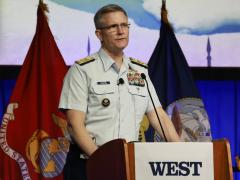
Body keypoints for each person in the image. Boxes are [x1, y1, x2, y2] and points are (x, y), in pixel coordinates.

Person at [59, 4, 180, 180]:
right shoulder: (82, 70)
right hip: (89, 164)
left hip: (128, 165)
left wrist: (182, 151)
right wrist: (103, 161)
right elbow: (74, 125)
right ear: (99, 34)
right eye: (113, 26)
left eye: (124, 25)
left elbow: (158, 116)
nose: (121, 31)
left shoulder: (140, 71)